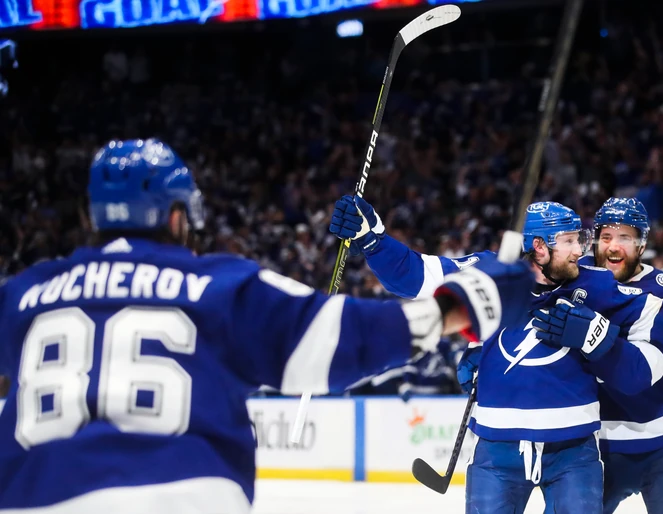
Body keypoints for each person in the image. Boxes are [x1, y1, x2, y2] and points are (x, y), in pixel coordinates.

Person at [0, 139, 538, 514]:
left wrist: (375, 240)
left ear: (92, 216)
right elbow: (341, 338)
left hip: (32, 497)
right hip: (184, 494)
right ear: (177, 217)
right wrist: (462, 307)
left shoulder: (24, 293)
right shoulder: (217, 286)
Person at [329, 195, 663, 514]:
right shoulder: (495, 272)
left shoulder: (597, 284)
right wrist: (373, 238)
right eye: (576, 241)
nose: (586, 250)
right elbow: (416, 274)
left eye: (587, 239)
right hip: (511, 446)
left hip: (587, 448)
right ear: (539, 247)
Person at [585, 197, 663, 513]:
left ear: (642, 245)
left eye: (625, 238)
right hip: (596, 444)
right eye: (606, 236)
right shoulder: (576, 280)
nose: (613, 246)